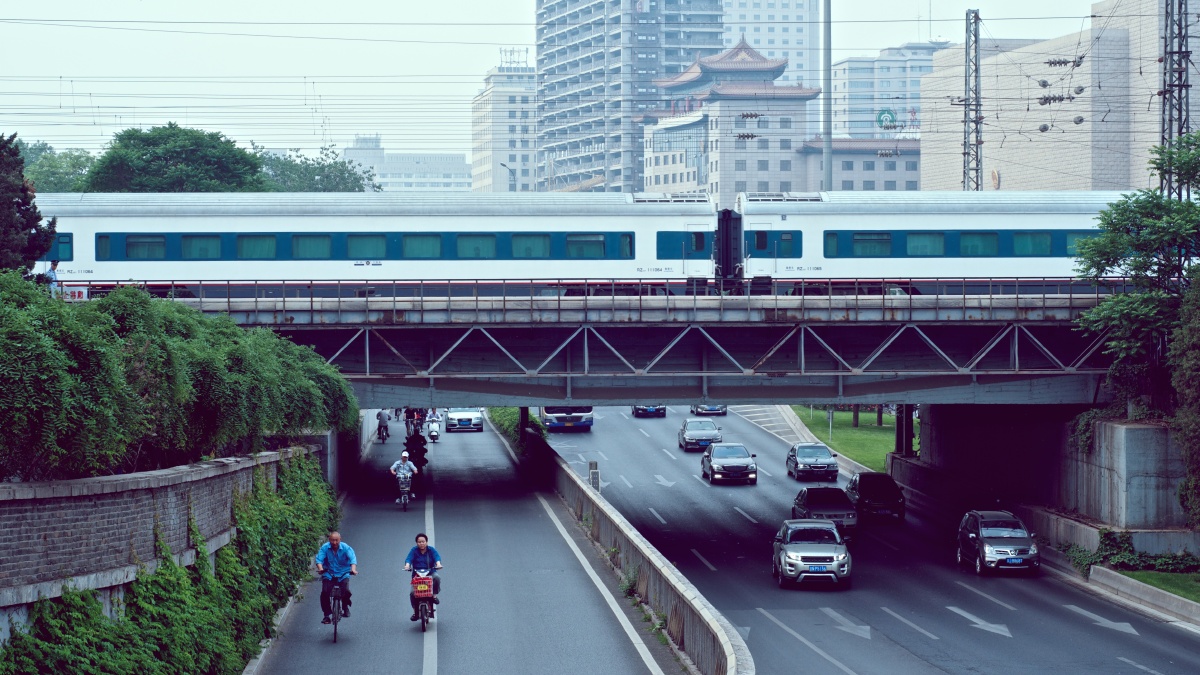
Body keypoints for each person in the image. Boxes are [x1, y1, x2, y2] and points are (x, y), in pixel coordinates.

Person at [315, 531, 357, 624]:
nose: (334, 543)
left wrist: (353, 569)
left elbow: (352, 559)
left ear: (340, 540)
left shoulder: (346, 548)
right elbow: (319, 560)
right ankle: (326, 615)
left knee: (345, 591)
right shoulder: (325, 548)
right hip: (329, 573)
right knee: (325, 592)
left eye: (336, 540)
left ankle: (345, 606)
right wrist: (321, 569)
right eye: (332, 540)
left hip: (343, 573)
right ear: (329, 540)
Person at [403, 533, 442, 621]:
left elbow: (437, 557)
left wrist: (438, 564)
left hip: (430, 573)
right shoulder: (414, 550)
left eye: (423, 541)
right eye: (419, 542)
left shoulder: (431, 550)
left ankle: (434, 596)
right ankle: (415, 612)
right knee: (413, 593)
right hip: (417, 576)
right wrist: (407, 565)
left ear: (426, 542)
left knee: (437, 577)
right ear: (416, 543)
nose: (421, 543)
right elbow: (409, 559)